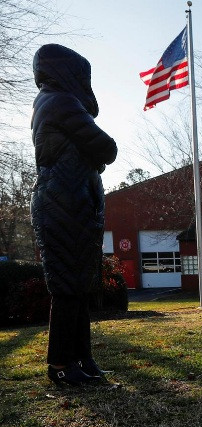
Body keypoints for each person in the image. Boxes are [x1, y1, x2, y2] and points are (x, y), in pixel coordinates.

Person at [30, 44, 118, 385]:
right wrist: (95, 157)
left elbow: (91, 152)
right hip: (63, 204)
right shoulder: (60, 102)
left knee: (78, 288)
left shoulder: (49, 102)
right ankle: (62, 366)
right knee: (68, 289)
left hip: (71, 202)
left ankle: (82, 359)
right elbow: (106, 148)